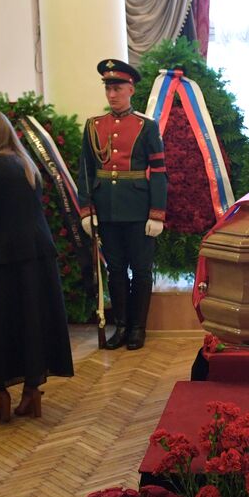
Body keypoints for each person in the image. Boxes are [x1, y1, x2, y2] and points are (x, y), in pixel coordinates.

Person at [0, 111, 74, 420]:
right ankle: (32, 393)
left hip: (5, 258)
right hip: (39, 254)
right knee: (33, 321)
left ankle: (0, 398)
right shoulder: (25, 164)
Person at [77, 58, 167, 350]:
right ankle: (122, 326)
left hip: (139, 210)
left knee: (141, 270)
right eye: (108, 88)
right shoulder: (94, 126)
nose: (112, 94)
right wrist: (86, 210)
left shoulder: (146, 126)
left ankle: (138, 328)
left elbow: (159, 172)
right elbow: (86, 171)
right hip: (106, 210)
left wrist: (157, 213)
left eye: (117, 88)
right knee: (115, 271)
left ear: (131, 89)